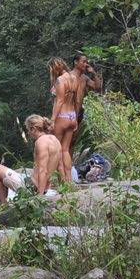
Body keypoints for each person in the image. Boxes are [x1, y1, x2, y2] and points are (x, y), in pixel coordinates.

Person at [0, 115, 62, 204]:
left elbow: (43, 170)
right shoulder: (55, 140)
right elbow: (60, 167)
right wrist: (64, 190)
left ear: (33, 128)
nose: (28, 133)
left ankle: (3, 204)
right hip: (42, 188)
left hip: (32, 189)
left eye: (28, 130)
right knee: (3, 173)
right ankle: (2, 203)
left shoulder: (41, 142)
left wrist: (40, 197)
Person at [48, 57, 78, 186]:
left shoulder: (60, 80)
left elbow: (59, 101)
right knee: (65, 150)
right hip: (71, 116)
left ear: (55, 67)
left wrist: (52, 120)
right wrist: (75, 118)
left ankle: (62, 181)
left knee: (57, 149)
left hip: (62, 116)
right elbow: (76, 101)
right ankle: (69, 180)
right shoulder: (73, 78)